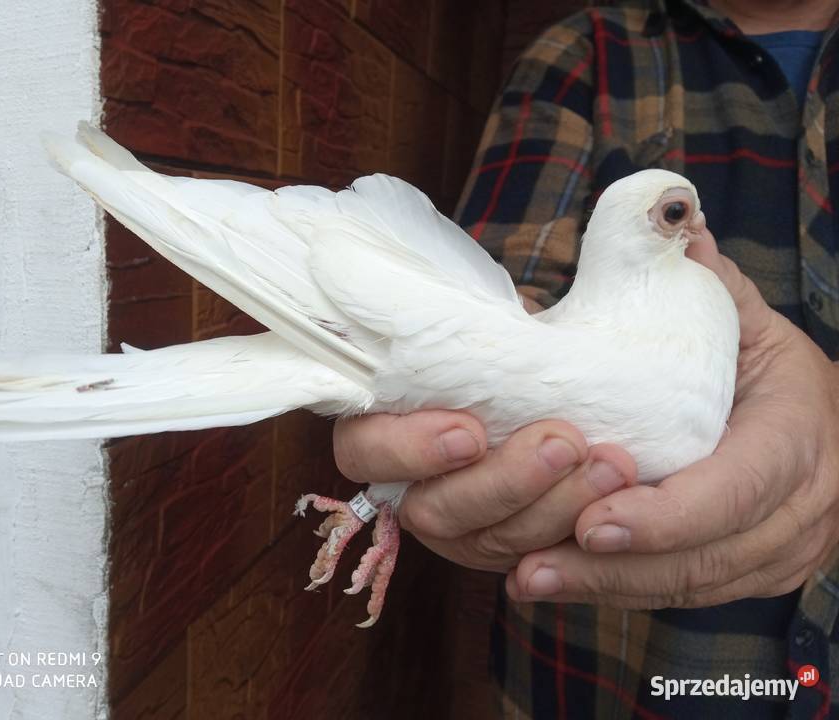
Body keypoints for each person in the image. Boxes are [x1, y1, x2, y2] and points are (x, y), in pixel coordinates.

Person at [333, 0, 839, 716]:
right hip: (596, 667)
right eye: (676, 217)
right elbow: (509, 287)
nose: (699, 233)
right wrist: (466, 388)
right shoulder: (586, 53)